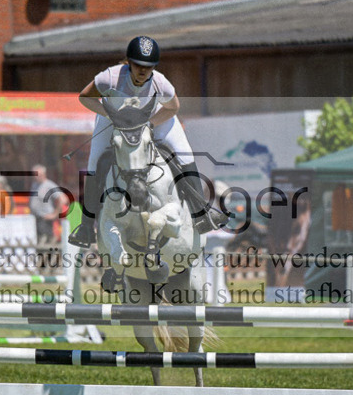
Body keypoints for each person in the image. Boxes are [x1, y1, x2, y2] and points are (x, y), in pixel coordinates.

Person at [68, 35, 226, 247]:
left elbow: (173, 107)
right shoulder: (110, 77)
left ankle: (201, 214)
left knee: (184, 152)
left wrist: (150, 125)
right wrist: (108, 113)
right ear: (130, 63)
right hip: (114, 120)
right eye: (138, 65)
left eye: (149, 67)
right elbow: (85, 97)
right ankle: (86, 228)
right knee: (94, 163)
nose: (143, 71)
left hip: (154, 118)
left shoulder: (160, 82)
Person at [29, 164, 66, 244]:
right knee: (37, 241)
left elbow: (63, 199)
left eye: (38, 175)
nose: (36, 177)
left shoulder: (49, 185)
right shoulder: (35, 184)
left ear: (44, 174)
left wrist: (55, 214)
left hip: (45, 218)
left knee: (45, 241)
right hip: (35, 218)